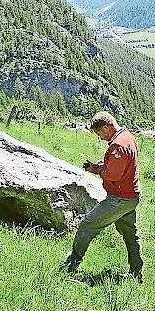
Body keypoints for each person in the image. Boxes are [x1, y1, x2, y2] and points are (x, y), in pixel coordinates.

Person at [60, 111, 143, 282]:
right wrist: (105, 164)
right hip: (131, 196)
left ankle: (72, 264)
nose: (100, 137)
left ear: (106, 127)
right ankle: (136, 273)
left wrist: (96, 169)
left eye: (99, 133)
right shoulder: (127, 136)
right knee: (129, 232)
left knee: (87, 225)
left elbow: (113, 175)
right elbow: (120, 166)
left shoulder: (117, 146)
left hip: (120, 199)